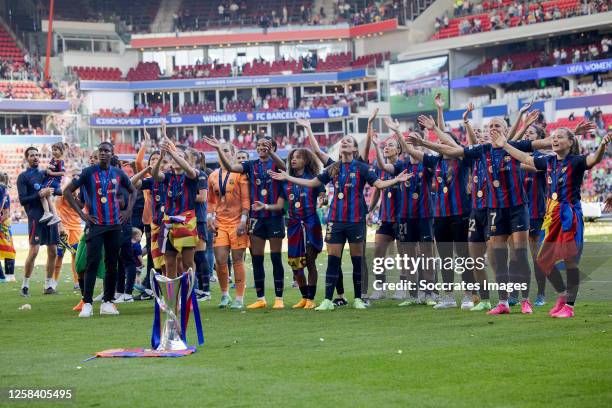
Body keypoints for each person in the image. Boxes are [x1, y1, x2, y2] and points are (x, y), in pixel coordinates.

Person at [270, 135, 410, 310]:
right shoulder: (333, 168)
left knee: (357, 260)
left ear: (354, 149)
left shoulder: (362, 167)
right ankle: (328, 300)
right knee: (333, 260)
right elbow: (313, 182)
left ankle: (358, 298)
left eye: (348, 141)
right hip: (335, 220)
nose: (344, 142)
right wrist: (288, 178)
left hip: (356, 220)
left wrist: (396, 180)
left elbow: (379, 184)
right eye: (342, 140)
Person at [493, 124, 610, 317]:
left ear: (571, 142)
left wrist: (602, 146)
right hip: (551, 216)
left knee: (570, 261)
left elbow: (593, 159)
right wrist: (505, 145)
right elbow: (525, 158)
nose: (554, 140)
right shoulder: (548, 161)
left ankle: (569, 307)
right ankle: (563, 295)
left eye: (560, 137)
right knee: (542, 259)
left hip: (568, 215)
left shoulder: (577, 161)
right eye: (553, 137)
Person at [205, 135, 287, 309]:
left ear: (273, 148)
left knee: (275, 258)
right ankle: (260, 298)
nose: (261, 148)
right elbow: (231, 167)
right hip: (257, 218)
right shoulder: (250, 166)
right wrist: (219, 149)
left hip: (274, 217)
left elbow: (284, 166)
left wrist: (271, 152)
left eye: (265, 145)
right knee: (256, 259)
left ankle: (278, 298)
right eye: (258, 145)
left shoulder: (277, 165)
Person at [63, 142, 136, 318]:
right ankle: (87, 302)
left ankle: (108, 302)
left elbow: (133, 191)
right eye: (100, 151)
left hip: (114, 225)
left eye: (106, 151)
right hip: (95, 225)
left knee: (112, 264)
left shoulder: (118, 174)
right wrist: (82, 214)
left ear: (112, 153)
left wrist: (127, 211)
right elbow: (67, 191)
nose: (103, 153)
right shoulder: (88, 172)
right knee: (92, 262)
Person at [270, 148, 324, 308]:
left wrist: (323, 199)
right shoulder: (285, 181)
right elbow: (280, 205)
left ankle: (311, 299)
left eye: (298, 157)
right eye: (292, 157)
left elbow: (323, 195)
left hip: (310, 224)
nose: (294, 160)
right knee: (295, 264)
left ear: (306, 161)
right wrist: (265, 206)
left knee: (309, 260)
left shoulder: (314, 179)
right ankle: (304, 296)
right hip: (293, 225)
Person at [207, 143, 250, 309]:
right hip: (220, 223)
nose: (221, 154)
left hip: (237, 221)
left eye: (225, 151)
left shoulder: (240, 175)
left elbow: (246, 199)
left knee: (238, 260)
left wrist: (243, 221)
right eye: (219, 151)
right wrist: (210, 217)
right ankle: (225, 295)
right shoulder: (213, 176)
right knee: (220, 260)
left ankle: (239, 297)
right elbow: (211, 201)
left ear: (232, 154)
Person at [151, 138, 199, 279]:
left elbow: (190, 170)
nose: (175, 159)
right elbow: (154, 174)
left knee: (187, 263)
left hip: (186, 222)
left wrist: (173, 152)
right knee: (169, 262)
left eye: (180, 157)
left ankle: (189, 296)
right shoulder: (167, 177)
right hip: (167, 223)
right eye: (172, 157)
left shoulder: (191, 175)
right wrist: (161, 157)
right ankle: (172, 299)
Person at [17, 146, 61, 296]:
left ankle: (48, 285)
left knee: (53, 251)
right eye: (31, 155)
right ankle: (25, 286)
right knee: (34, 251)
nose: (35, 157)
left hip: (51, 217)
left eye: (37, 155)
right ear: (26, 158)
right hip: (36, 217)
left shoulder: (44, 174)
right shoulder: (23, 177)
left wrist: (57, 190)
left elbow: (57, 189)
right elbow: (23, 200)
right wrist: (40, 194)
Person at [368, 134, 402, 301]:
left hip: (402, 217)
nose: (386, 148)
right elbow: (376, 190)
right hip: (385, 217)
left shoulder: (404, 167)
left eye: (390, 145)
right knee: (378, 251)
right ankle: (380, 287)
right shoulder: (379, 168)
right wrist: (369, 210)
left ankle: (403, 287)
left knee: (405, 255)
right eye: (385, 146)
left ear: (398, 150)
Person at [53, 174, 82, 291]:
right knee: (59, 255)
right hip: (63, 228)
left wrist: (76, 197)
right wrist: (59, 224)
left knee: (76, 255)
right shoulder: (63, 194)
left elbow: (83, 206)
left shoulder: (81, 194)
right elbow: (55, 206)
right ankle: (53, 281)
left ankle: (77, 282)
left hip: (76, 228)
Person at [39, 142, 65, 226]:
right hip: (49, 180)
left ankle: (47, 212)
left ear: (61, 151)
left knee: (41, 192)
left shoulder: (60, 161)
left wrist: (51, 174)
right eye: (53, 150)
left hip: (53, 181)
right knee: (48, 197)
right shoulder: (53, 160)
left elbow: (62, 173)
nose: (53, 151)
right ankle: (55, 216)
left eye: (56, 150)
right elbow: (49, 169)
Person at [0, 173, 16, 282]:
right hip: (5, 223)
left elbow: (6, 213)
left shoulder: (3, 192)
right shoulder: (5, 192)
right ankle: (8, 275)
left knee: (7, 247)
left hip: (3, 224)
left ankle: (7, 275)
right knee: (8, 248)